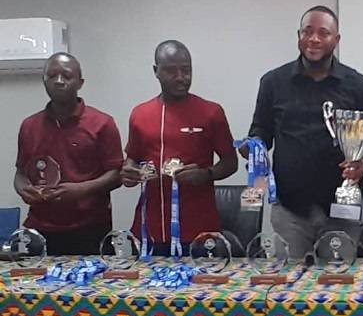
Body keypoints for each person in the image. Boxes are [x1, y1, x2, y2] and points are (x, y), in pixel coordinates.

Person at [241, 5, 363, 259]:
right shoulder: (273, 82)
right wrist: (253, 147)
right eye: (307, 31)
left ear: (336, 40)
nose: (314, 39)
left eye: (323, 33)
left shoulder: (359, 85)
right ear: (298, 35)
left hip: (342, 209)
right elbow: (261, 129)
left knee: (339, 289)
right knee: (286, 293)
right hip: (290, 211)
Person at [121, 40, 238, 256]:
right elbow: (132, 159)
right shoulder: (140, 114)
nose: (180, 77)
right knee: (147, 290)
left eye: (186, 70)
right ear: (156, 71)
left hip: (197, 227)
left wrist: (206, 174)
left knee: (199, 290)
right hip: (149, 228)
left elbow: (231, 162)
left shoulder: (211, 112)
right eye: (171, 71)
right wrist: (128, 172)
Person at [14, 52, 124, 255]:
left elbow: (117, 175)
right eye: (52, 76)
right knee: (34, 287)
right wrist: (24, 190)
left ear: (80, 82)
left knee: (92, 287)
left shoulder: (102, 123)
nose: (59, 81)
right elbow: (20, 173)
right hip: (39, 230)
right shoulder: (29, 126)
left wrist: (81, 190)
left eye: (66, 76)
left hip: (90, 231)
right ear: (44, 81)